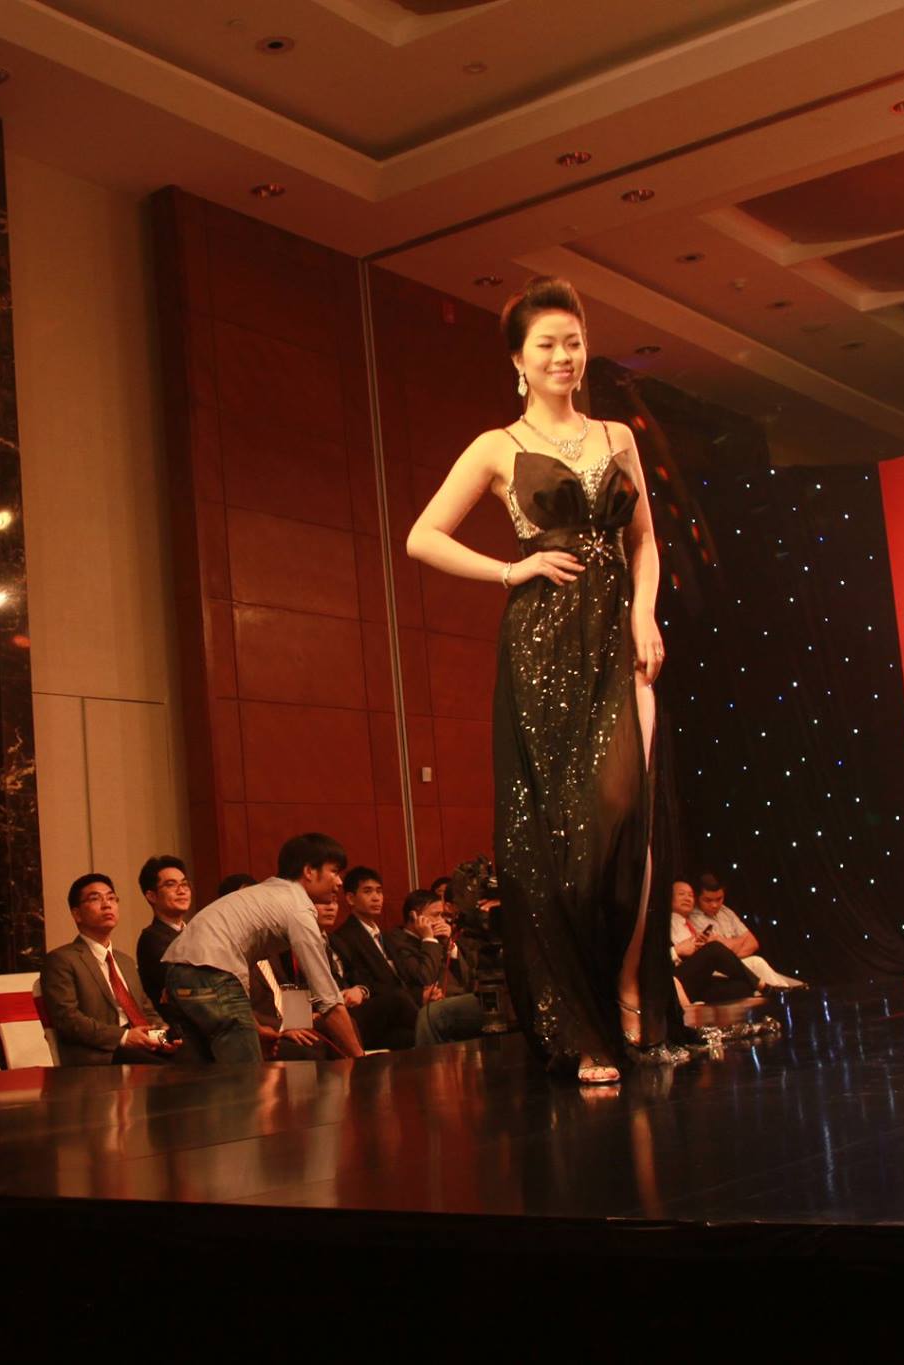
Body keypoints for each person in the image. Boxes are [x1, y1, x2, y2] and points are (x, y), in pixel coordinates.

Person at [405, 274, 676, 1086]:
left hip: (618, 639)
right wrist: (510, 569)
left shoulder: (616, 435)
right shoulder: (497, 445)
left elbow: (644, 540)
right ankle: (580, 1022)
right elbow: (423, 536)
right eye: (547, 344)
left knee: (625, 810)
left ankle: (627, 983)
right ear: (519, 360)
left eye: (574, 341)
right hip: (543, 644)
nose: (564, 355)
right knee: (557, 840)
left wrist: (645, 614)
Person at [161, 833, 363, 1063]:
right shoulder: (298, 909)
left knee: (201, 1070)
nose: (339, 882)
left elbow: (231, 964)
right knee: (246, 1072)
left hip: (177, 973)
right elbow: (328, 1000)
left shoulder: (265, 893)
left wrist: (255, 1027)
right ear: (309, 871)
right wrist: (360, 1059)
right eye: (334, 872)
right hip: (210, 973)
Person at [42, 874, 179, 1066]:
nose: (107, 905)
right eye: (95, 898)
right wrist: (124, 1037)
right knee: (171, 1069)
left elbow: (146, 1010)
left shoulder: (125, 962)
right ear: (77, 914)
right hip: (100, 1054)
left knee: (194, 1058)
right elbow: (68, 1020)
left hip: (141, 1046)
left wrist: (163, 1038)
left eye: (111, 898)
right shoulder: (61, 960)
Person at [326, 867, 420, 1051]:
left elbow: (403, 978)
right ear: (351, 898)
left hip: (398, 1014)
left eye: (379, 891)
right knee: (426, 1028)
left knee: (415, 1037)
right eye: (368, 891)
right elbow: (361, 981)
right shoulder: (345, 937)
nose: (376, 898)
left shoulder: (385, 936)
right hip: (373, 1011)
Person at [390, 890, 488, 1045]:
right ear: (414, 916)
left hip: (461, 1000)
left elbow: (468, 978)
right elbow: (424, 978)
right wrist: (428, 939)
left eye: (442, 915)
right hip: (433, 1007)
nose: (442, 921)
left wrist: (450, 945)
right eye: (435, 915)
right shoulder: (399, 941)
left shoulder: (441, 939)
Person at [692, 873, 805, 990]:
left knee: (797, 984)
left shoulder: (726, 912)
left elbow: (753, 943)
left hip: (738, 965)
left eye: (719, 899)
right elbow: (717, 952)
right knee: (757, 963)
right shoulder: (693, 917)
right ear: (697, 897)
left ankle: (786, 993)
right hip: (716, 972)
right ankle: (783, 996)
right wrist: (740, 941)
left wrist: (729, 956)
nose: (715, 905)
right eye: (708, 900)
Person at [669, 881, 763, 1003]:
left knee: (741, 988)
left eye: (691, 895)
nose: (687, 898)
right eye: (682, 894)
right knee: (714, 948)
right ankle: (762, 985)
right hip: (673, 978)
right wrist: (677, 950)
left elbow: (754, 942)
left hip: (697, 979)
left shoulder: (688, 924)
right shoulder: (662, 924)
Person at [134, 855, 191, 1010]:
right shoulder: (151, 938)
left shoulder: (198, 933)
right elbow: (188, 983)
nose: (182, 891)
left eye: (184, 884)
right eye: (171, 885)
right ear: (151, 896)